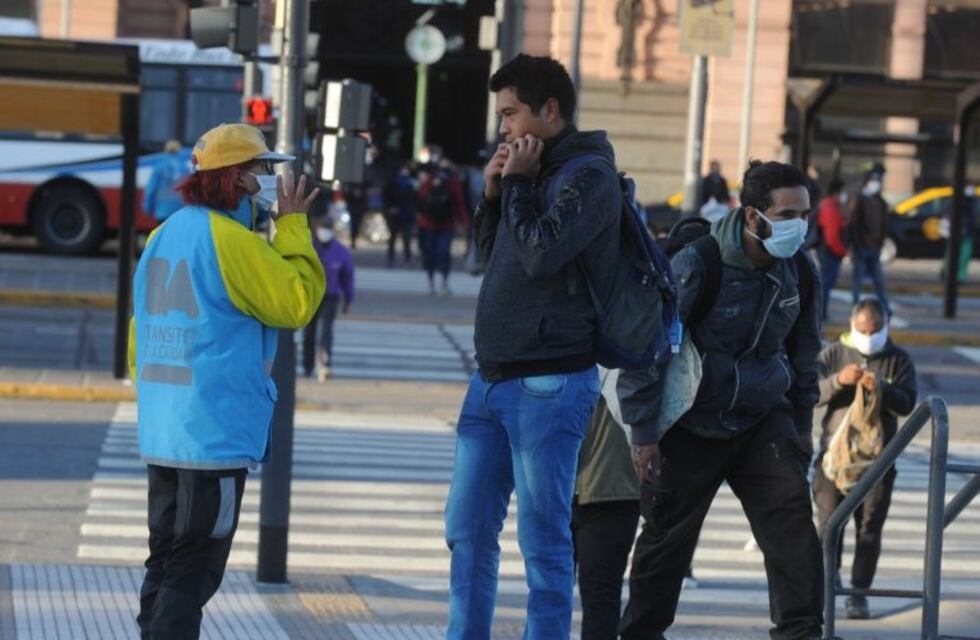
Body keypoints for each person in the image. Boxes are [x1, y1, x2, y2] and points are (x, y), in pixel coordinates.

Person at [443, 53, 621, 639]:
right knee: (466, 531)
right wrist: (495, 195)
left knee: (543, 542)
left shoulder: (588, 174)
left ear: (550, 110)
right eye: (500, 116)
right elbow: (491, 260)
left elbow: (542, 254)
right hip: (490, 378)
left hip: (549, 381)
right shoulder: (530, 169)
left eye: (511, 113)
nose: (503, 129)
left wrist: (517, 186)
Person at [128, 123, 325, 639]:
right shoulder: (231, 242)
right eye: (262, 169)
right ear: (236, 179)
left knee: (166, 559)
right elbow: (296, 302)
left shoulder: (163, 236)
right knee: (195, 568)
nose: (269, 179)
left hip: (164, 432)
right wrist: (294, 227)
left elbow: (138, 338)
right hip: (211, 437)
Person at [617, 160, 826, 640]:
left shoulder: (801, 271)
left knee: (793, 527)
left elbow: (805, 357)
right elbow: (649, 351)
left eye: (805, 214)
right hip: (693, 422)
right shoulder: (699, 263)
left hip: (762, 419)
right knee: (665, 545)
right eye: (789, 214)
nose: (800, 226)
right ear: (753, 217)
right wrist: (644, 434)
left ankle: (800, 633)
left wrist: (800, 432)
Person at [813, 297, 917, 620]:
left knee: (869, 528)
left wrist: (881, 390)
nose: (869, 337)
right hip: (834, 458)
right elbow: (811, 392)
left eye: (874, 331)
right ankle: (828, 584)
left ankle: (858, 592)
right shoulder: (833, 354)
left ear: (885, 325)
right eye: (862, 331)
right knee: (829, 524)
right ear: (851, 325)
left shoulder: (897, 359)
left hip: (877, 462)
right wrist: (839, 381)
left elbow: (908, 403)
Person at [573, 370, 641, 640]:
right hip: (558, 486)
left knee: (600, 596)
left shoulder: (629, 339)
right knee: (547, 592)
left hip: (613, 487)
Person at [303, 215, 355, 381]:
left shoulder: (340, 252)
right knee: (309, 332)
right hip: (311, 295)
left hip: (331, 296)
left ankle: (325, 364)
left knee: (326, 331)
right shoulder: (308, 247)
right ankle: (307, 365)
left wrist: (348, 299)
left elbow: (347, 277)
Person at [415, 146, 469, 295]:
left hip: (441, 223)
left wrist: (463, 220)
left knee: (441, 252)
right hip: (433, 222)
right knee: (434, 253)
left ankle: (440, 282)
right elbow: (422, 197)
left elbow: (458, 201)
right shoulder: (435, 178)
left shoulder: (449, 180)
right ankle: (435, 282)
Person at [847, 164, 891, 316]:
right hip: (862, 246)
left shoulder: (879, 201)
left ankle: (885, 307)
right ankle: (856, 306)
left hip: (874, 246)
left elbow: (883, 223)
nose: (877, 183)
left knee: (878, 280)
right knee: (858, 279)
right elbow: (853, 223)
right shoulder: (859, 199)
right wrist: (854, 244)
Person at [816, 179, 848, 320]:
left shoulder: (827, 205)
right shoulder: (831, 209)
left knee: (825, 284)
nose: (844, 196)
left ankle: (821, 313)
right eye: (842, 193)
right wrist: (843, 251)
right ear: (836, 193)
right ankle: (821, 314)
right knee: (826, 284)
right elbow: (832, 236)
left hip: (826, 250)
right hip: (830, 252)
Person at [142, 139, 190, 223]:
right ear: (179, 150)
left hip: (162, 212)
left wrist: (148, 209)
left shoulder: (159, 167)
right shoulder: (185, 168)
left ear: (165, 150)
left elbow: (151, 190)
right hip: (180, 213)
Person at [384, 163, 417, 267]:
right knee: (393, 236)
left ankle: (407, 256)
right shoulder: (393, 182)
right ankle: (391, 256)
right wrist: (390, 208)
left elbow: (414, 199)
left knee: (406, 237)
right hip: (395, 214)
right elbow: (386, 197)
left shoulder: (410, 183)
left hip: (407, 214)